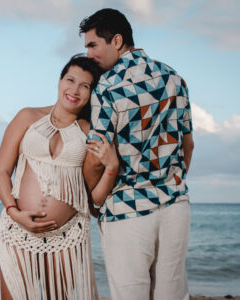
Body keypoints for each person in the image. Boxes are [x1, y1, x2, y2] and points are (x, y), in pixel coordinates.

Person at [79, 8, 194, 300]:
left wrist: (95, 199)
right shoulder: (174, 78)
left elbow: (95, 157)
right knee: (172, 293)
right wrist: (170, 181)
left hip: (126, 210)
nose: (89, 54)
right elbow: (188, 144)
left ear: (117, 40)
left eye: (93, 45)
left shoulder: (107, 86)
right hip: (175, 205)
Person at [0, 54, 119, 300]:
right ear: (59, 81)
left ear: (92, 93)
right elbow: (1, 172)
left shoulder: (89, 132)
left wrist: (112, 166)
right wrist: (13, 211)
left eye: (85, 86)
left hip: (67, 234)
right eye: (70, 80)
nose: (75, 90)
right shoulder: (27, 117)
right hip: (18, 228)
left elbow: (95, 197)